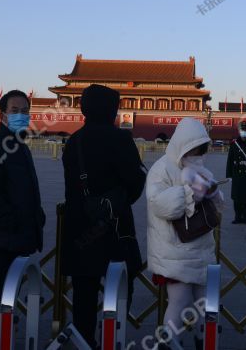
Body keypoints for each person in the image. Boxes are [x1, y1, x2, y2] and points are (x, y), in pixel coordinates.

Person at [62, 84, 146, 348]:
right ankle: (114, 338)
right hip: (115, 227)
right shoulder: (121, 139)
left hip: (80, 229)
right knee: (121, 286)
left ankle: (84, 340)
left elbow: (70, 187)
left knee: (83, 293)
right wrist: (117, 202)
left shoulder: (74, 141)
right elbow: (135, 183)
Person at [146, 117, 224, 349]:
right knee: (179, 301)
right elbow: (158, 204)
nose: (198, 154)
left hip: (201, 249)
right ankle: (168, 344)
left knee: (205, 303)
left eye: (201, 149)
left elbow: (217, 206)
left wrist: (214, 193)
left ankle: (204, 342)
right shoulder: (161, 169)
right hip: (173, 250)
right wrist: (190, 193)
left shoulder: (200, 167)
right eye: (194, 148)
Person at [0, 90, 46, 337]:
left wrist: (36, 215)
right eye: (15, 111)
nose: (21, 116)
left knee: (7, 300)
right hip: (3, 239)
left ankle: (0, 340)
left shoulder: (18, 144)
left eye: (25, 111)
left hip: (18, 236)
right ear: (2, 114)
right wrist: (14, 221)